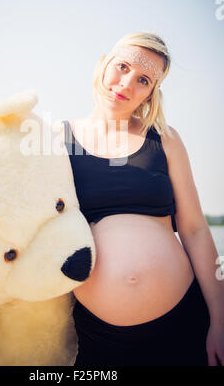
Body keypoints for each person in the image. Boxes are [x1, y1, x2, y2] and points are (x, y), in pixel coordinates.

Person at [61, 32, 224, 366]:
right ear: (104, 63)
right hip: (97, 334)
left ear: (151, 93)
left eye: (143, 80)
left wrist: (220, 320)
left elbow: (194, 230)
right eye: (122, 67)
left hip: (183, 321)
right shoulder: (57, 140)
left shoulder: (164, 139)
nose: (126, 83)